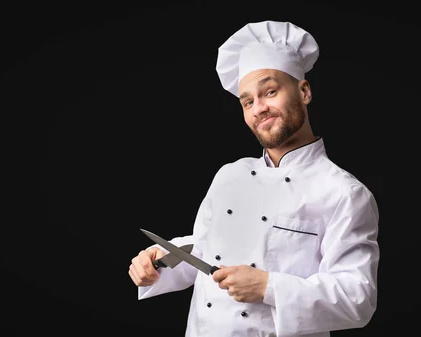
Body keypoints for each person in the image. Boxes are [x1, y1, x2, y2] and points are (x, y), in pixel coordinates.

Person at [128, 20, 380, 337]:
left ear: (304, 91)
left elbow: (357, 299)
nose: (258, 108)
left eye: (270, 91)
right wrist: (161, 261)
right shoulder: (229, 175)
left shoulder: (344, 193)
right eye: (248, 101)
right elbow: (207, 249)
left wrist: (268, 286)